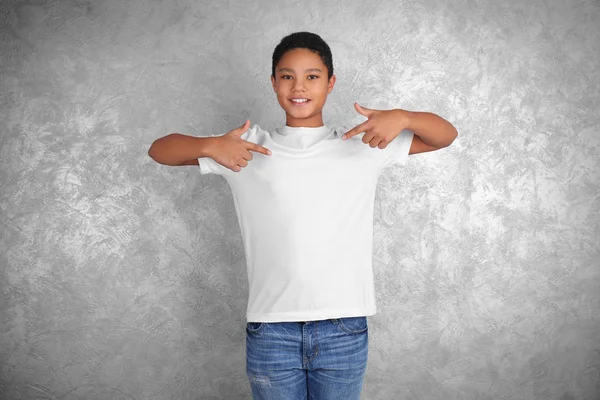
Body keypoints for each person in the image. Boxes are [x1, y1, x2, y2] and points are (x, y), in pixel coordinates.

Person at [148, 31, 457, 400]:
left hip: (343, 327)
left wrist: (405, 117)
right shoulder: (243, 150)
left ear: (330, 83)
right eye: (287, 75)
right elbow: (159, 150)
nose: (299, 86)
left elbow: (445, 135)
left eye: (312, 76)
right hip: (271, 330)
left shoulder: (364, 144)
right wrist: (209, 145)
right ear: (274, 82)